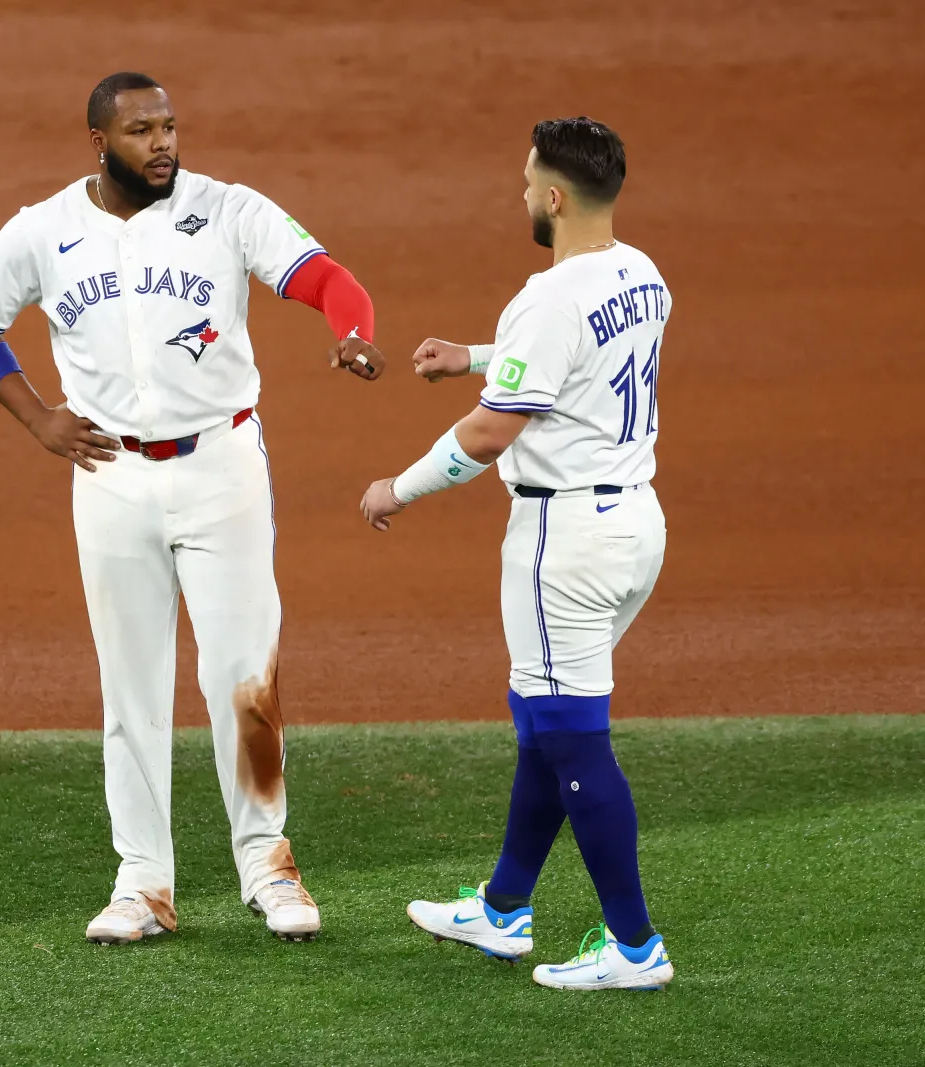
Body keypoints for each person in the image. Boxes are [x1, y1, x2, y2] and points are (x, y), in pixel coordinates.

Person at [0, 72, 385, 944]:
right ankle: (143, 883)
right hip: (110, 475)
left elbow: (331, 280)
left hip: (221, 465)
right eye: (143, 130)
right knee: (131, 688)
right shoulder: (43, 231)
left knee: (245, 677)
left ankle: (268, 867)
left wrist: (352, 333)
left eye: (171, 127)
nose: (164, 145)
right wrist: (37, 418)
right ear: (99, 142)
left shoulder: (227, 210)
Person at [359, 116, 674, 990]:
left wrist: (400, 486)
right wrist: (472, 355)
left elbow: (492, 434)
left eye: (525, 181)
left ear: (554, 196)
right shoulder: (641, 275)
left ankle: (635, 948)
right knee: (545, 717)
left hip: (562, 543)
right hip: (633, 526)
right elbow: (570, 359)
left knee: (575, 739)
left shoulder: (548, 295)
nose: (519, 193)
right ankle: (503, 910)